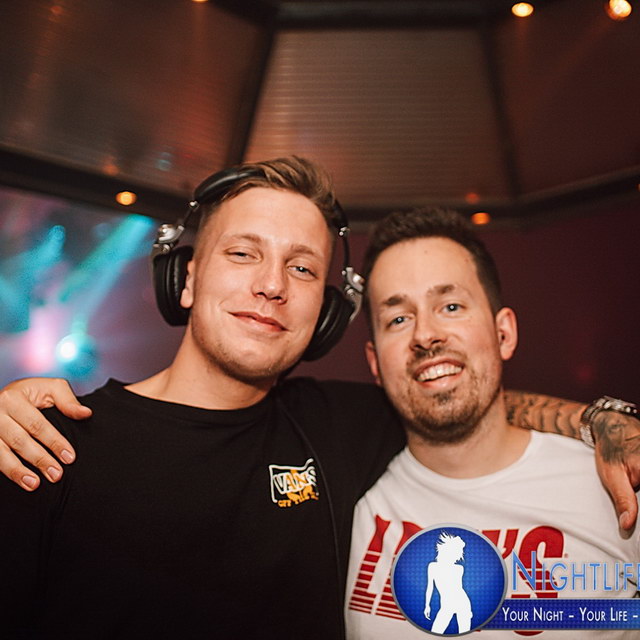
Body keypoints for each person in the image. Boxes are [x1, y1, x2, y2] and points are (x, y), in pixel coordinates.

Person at [0, 159, 637, 638]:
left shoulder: (336, 427)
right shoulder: (46, 445)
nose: (272, 285)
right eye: (243, 253)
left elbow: (456, 393)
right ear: (186, 279)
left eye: (303, 268)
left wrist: (607, 423)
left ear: (326, 316)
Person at [345, 208, 640, 638]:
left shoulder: (615, 483)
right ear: (375, 362)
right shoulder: (347, 501)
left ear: (504, 334)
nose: (425, 335)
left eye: (450, 306)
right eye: (398, 319)